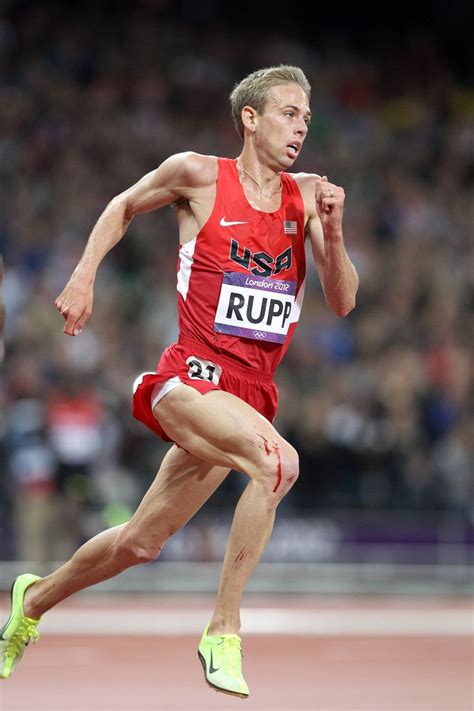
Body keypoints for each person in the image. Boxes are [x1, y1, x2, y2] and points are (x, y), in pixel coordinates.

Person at [0, 65, 358, 697]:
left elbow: (342, 300)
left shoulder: (308, 197)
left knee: (140, 543)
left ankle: (30, 602)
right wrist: (83, 276)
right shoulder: (197, 174)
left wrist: (331, 228)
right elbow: (123, 205)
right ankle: (223, 628)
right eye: (287, 112)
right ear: (250, 118)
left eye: (306, 116)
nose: (301, 126)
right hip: (189, 381)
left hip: (248, 398)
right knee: (278, 466)